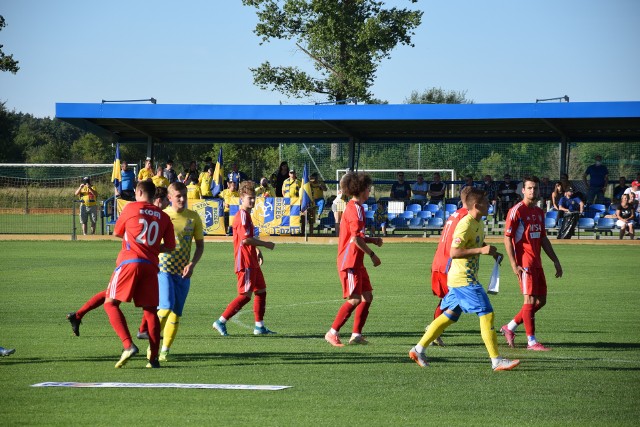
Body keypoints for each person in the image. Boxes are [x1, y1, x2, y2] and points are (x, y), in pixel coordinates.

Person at [409, 188, 519, 371]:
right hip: (464, 280)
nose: (489, 204)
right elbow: (454, 252)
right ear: (477, 205)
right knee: (487, 313)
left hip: (462, 279)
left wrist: (489, 250)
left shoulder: (479, 222)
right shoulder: (465, 224)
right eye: (486, 202)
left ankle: (418, 349)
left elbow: (475, 242)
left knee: (449, 316)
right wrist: (481, 250)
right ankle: (496, 360)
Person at [67, 187, 170, 338]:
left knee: (117, 296)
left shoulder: (159, 216)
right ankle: (141, 333)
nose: (169, 203)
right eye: (167, 199)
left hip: (144, 261)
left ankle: (78, 315)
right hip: (135, 260)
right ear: (158, 199)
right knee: (117, 297)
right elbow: (121, 233)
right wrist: (145, 247)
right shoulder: (144, 212)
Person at [104, 180, 175, 368]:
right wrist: (151, 247)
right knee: (151, 311)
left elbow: (118, 233)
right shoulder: (164, 216)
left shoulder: (130, 208)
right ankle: (153, 359)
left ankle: (127, 345)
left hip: (130, 261)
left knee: (110, 303)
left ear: (139, 192)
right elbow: (169, 247)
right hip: (151, 266)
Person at [501, 176, 563, 351]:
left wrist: (555, 260)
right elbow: (507, 238)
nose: (532, 191)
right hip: (524, 262)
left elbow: (543, 238)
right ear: (523, 190)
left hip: (537, 262)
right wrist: (514, 264)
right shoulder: (516, 211)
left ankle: (510, 327)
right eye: (529, 188)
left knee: (541, 301)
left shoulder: (538, 212)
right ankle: (531, 341)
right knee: (529, 300)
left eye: (535, 188)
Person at [325, 172, 382, 347]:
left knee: (367, 296)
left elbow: (356, 236)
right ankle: (332, 332)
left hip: (356, 261)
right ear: (363, 189)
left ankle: (356, 334)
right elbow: (355, 239)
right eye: (369, 188)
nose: (370, 191)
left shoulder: (356, 207)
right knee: (355, 299)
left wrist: (372, 240)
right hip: (349, 261)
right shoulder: (355, 209)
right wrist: (372, 254)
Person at [212, 180, 277, 336]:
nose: (253, 200)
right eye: (250, 198)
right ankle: (220, 321)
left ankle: (259, 326)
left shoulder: (247, 215)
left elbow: (247, 240)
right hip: (245, 261)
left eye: (254, 197)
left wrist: (256, 251)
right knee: (245, 296)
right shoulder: (241, 216)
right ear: (242, 198)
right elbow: (246, 240)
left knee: (261, 290)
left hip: (251, 259)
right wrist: (265, 244)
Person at [154, 182, 204, 361]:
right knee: (166, 306)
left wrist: (192, 264)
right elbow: (152, 242)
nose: (182, 199)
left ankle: (164, 351)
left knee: (176, 313)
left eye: (184, 195)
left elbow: (199, 246)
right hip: (163, 269)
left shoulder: (194, 217)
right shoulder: (162, 216)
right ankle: (148, 335)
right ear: (169, 198)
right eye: (178, 196)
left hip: (183, 272)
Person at [427, 186, 472, 347]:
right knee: (457, 302)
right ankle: (432, 331)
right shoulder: (466, 217)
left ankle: (433, 332)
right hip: (449, 264)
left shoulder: (454, 215)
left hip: (439, 261)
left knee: (449, 301)